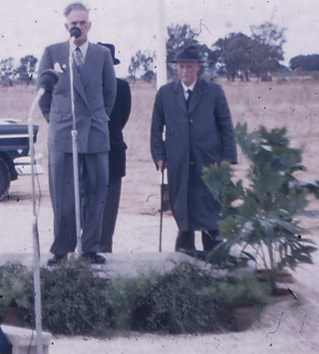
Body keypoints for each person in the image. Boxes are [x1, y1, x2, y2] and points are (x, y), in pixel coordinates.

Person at [37, 2, 117, 265]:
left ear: (89, 25)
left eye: (83, 23)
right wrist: (58, 120)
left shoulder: (102, 55)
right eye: (74, 24)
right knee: (63, 195)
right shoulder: (52, 52)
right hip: (63, 134)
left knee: (96, 193)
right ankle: (62, 248)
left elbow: (109, 96)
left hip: (94, 135)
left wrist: (98, 119)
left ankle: (91, 247)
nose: (78, 28)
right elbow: (44, 96)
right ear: (66, 26)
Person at [150, 44, 237, 256]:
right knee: (182, 203)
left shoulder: (213, 91)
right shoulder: (165, 93)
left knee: (209, 205)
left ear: (198, 67)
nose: (184, 71)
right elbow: (155, 128)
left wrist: (227, 157)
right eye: (181, 67)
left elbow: (226, 125)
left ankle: (214, 252)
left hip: (208, 159)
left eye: (189, 67)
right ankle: (184, 251)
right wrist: (159, 155)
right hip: (178, 160)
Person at [97, 42, 131, 253]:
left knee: (109, 212)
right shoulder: (87, 86)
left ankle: (105, 251)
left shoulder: (122, 87)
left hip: (114, 154)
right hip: (90, 156)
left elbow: (122, 118)